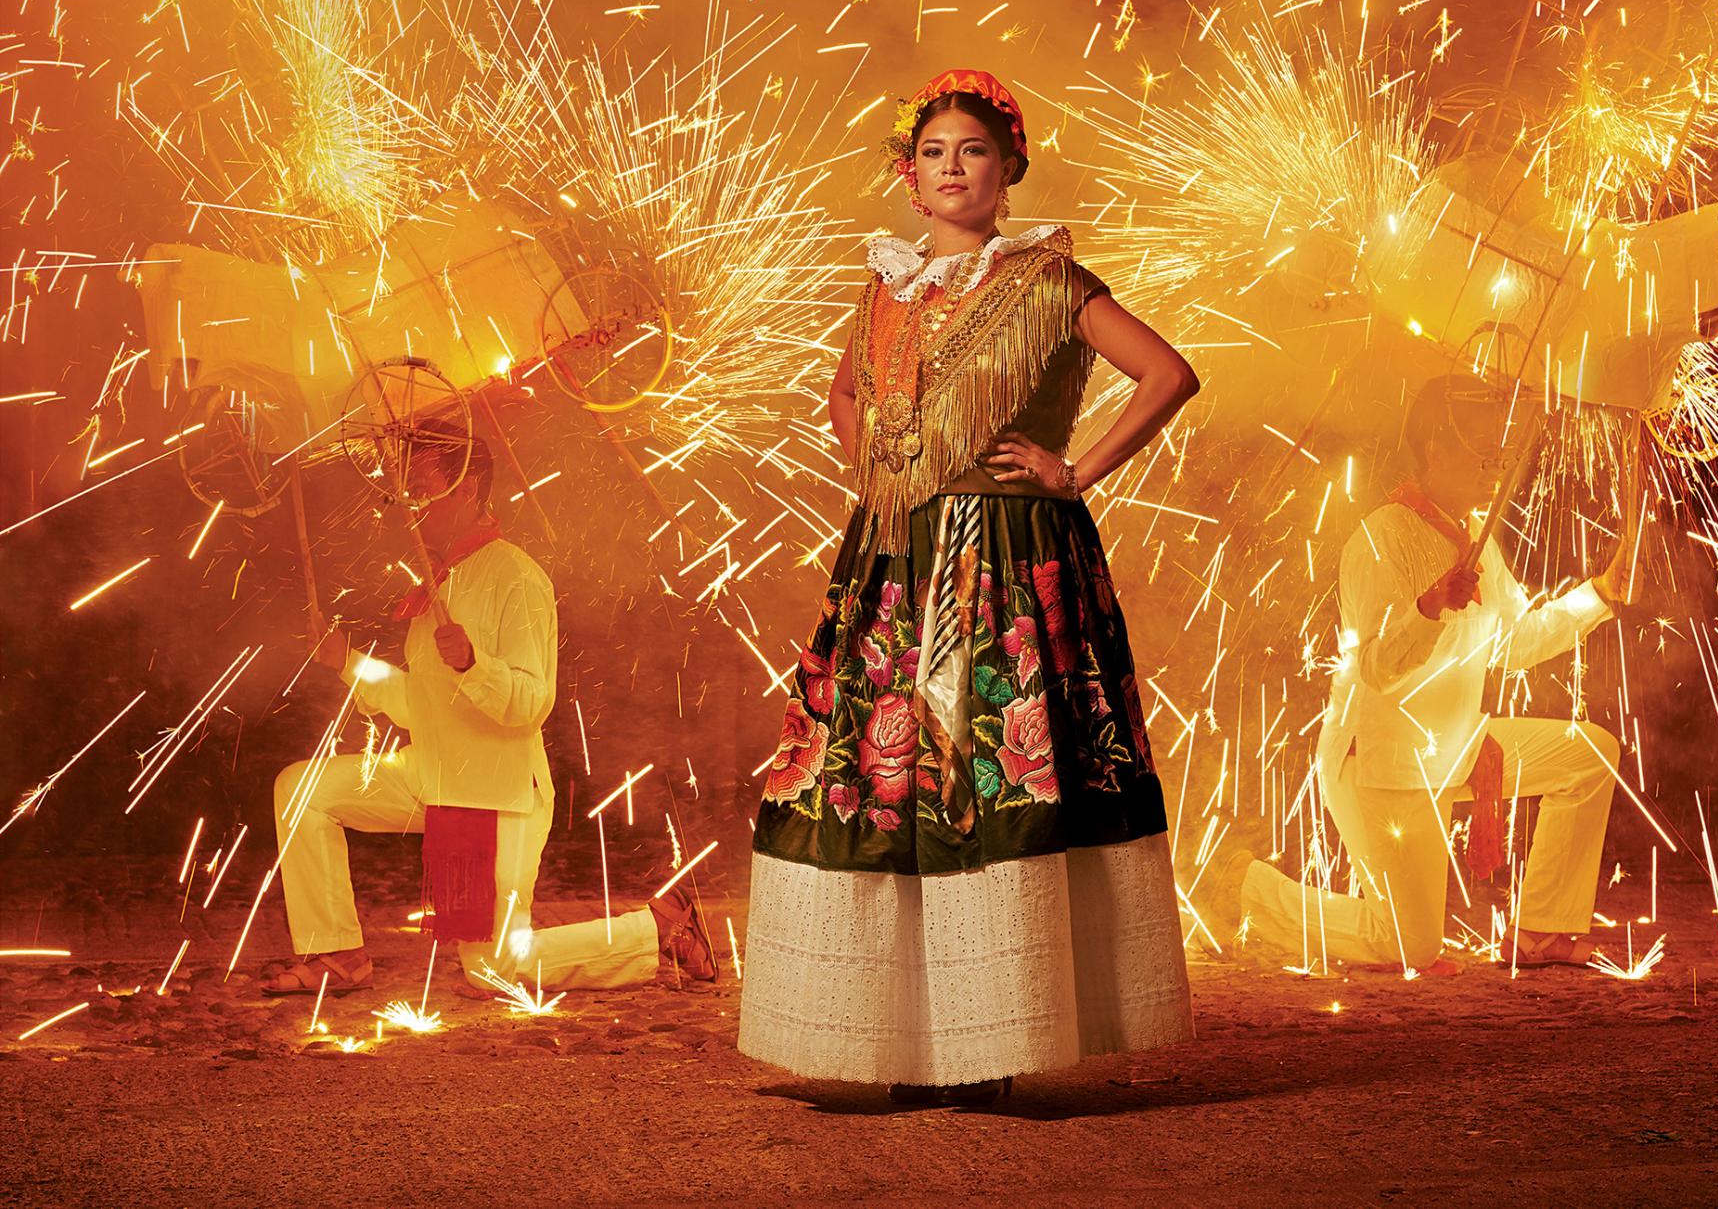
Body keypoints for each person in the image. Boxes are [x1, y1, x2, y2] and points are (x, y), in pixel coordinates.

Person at [738, 69, 1200, 1106]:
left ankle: (992, 1042)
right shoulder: (886, 289)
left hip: (1005, 563)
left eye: (974, 151)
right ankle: (902, 1045)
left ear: (1009, 169)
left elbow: (1168, 374)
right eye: (934, 153)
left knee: (987, 781)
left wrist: (1074, 470)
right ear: (909, 177)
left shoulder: (1050, 282)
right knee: (888, 790)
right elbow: (842, 395)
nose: (953, 168)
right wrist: (882, 471)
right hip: (895, 562)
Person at [262, 409, 715, 997]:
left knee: (493, 970)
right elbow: (420, 704)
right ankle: (337, 953)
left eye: (422, 487)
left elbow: (531, 702)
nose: (410, 503)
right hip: (432, 775)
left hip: (497, 795)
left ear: (467, 488)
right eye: (406, 489)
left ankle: (656, 929)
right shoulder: (439, 579)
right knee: (302, 788)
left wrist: (474, 664)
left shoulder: (516, 578)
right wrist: (346, 660)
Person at [1226, 375, 1641, 974]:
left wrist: (1599, 594)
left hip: (1457, 744)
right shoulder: (1380, 537)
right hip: (1385, 764)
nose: (1497, 468)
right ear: (1436, 452)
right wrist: (1429, 607)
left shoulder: (1478, 539)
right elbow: (1377, 669)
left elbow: (1515, 644)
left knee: (1589, 754)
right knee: (1409, 948)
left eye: (1500, 454)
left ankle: (1539, 932)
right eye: (1482, 453)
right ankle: (1248, 892)